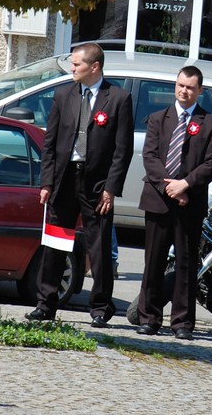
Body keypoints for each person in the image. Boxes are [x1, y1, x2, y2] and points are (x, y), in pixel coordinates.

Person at [27, 43, 134, 327]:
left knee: (99, 248)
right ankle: (46, 304)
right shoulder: (64, 95)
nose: (72, 69)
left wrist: (111, 188)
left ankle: (100, 307)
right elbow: (50, 143)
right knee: (55, 243)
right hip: (64, 180)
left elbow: (122, 150)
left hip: (97, 184)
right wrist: (46, 182)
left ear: (94, 67)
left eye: (77, 64)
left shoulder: (118, 98)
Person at [136, 65, 212, 339]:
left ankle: (182, 322)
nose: (184, 91)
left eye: (190, 87)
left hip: (190, 202)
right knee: (154, 262)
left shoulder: (210, 122)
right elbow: (150, 157)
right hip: (158, 200)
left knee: (186, 264)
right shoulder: (157, 119)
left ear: (200, 90)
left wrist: (185, 184)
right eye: (180, 85)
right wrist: (170, 187)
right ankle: (149, 317)